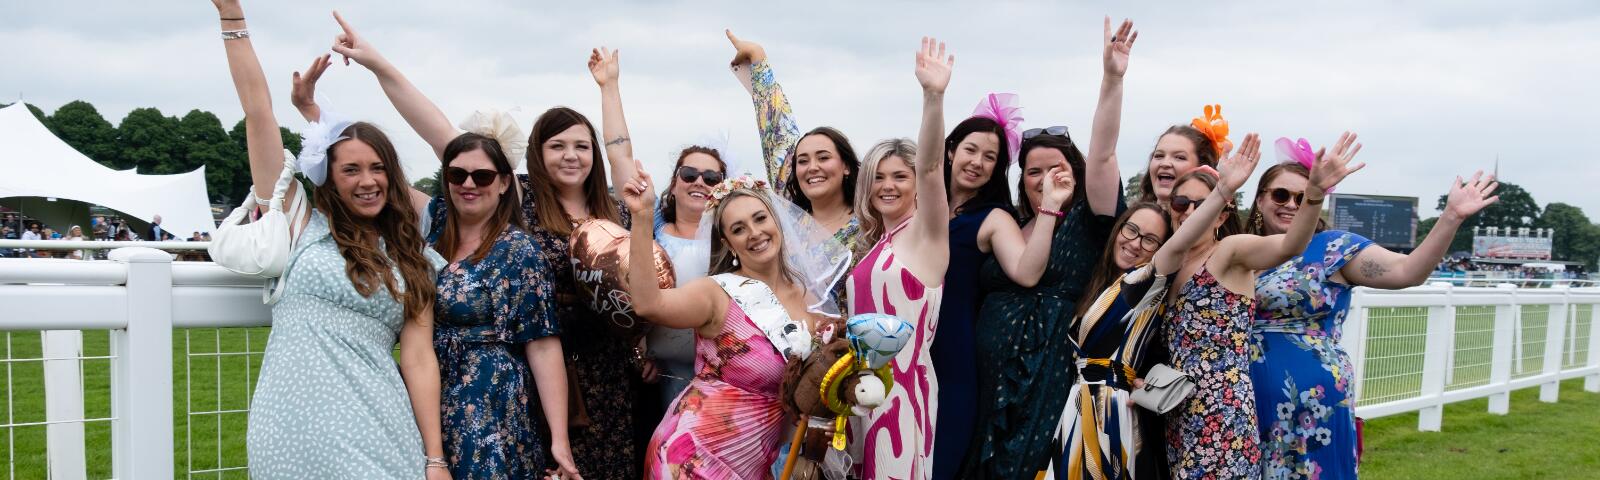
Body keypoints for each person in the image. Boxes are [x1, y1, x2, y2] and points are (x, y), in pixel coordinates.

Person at [306, 15, 643, 477]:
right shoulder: (521, 202)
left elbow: (622, 157)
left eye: (582, 146)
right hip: (495, 377)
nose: (570, 155)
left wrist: (609, 88)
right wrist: (377, 67)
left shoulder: (616, 213)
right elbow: (438, 140)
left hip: (591, 368)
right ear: (533, 159)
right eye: (558, 145)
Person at [212, 2, 448, 478]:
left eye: (378, 167)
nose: (368, 180)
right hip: (289, 427)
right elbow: (258, 113)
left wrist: (435, 458)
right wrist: (232, 18)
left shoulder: (413, 255)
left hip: (379, 426)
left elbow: (420, 361)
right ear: (328, 177)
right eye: (352, 169)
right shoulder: (301, 220)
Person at [1245, 154, 1499, 479]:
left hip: (1312, 401)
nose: (1292, 204)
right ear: (1261, 198)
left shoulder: (1333, 248)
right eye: (1281, 195)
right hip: (1246, 396)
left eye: (1303, 195)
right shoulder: (1241, 251)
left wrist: (1451, 217)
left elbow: (1407, 271)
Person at [964, 18, 1136, 478]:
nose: (1044, 180)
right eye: (1033, 171)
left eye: (1055, 168)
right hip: (987, 374)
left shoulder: (1088, 220)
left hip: (1049, 368)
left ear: (1074, 172)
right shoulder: (1009, 222)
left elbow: (1103, 152)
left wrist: (1112, 80)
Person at [1162, 132, 1360, 479]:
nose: (1190, 211)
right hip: (1177, 412)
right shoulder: (1167, 265)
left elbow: (1291, 245)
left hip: (1221, 414)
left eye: (1202, 203)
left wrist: (1313, 195)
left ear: (1222, 216)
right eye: (1181, 203)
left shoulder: (1230, 252)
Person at [624, 171, 847, 479]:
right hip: (693, 457)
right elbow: (648, 304)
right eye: (739, 229)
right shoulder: (715, 293)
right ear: (728, 243)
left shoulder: (809, 300)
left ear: (777, 221)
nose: (754, 233)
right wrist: (642, 216)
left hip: (756, 462)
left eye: (760, 219)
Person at [850, 37, 954, 480]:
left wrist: (933, 97)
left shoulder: (926, 233)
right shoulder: (879, 243)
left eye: (900, 176)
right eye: (878, 177)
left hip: (901, 394)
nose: (887, 186)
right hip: (862, 392)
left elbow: (932, 168)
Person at [727, 30, 861, 314]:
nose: (812, 167)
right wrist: (758, 58)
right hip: (786, 347)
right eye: (802, 161)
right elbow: (777, 134)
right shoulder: (788, 220)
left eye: (823, 158)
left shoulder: (870, 224)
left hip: (849, 351)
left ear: (846, 166)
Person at [645, 144, 728, 412]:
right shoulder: (653, 235)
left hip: (723, 375)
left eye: (711, 178)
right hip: (662, 374)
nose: (700, 182)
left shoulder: (732, 241)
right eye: (689, 174)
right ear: (673, 184)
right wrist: (639, 350)